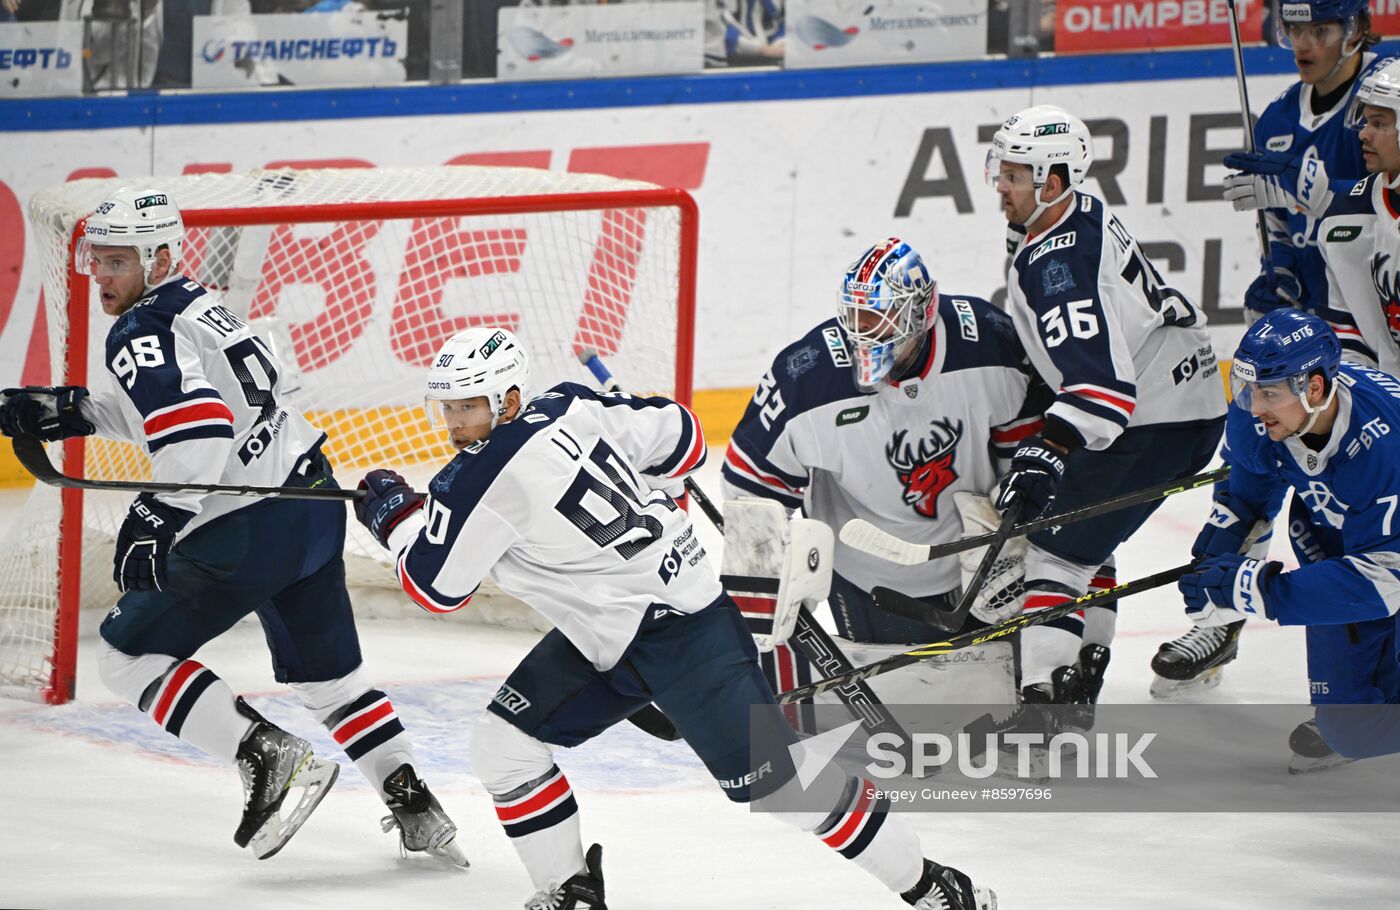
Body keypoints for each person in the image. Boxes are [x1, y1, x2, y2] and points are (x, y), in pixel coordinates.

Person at [354, 326, 996, 909]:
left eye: (467, 407)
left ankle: (933, 885)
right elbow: (686, 439)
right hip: (616, 628)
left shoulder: (472, 482)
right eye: (448, 407)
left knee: (783, 788)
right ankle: (572, 892)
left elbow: (433, 588)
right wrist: (646, 474)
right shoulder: (571, 405)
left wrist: (398, 519)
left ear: (509, 400)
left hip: (682, 632)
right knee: (502, 746)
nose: (453, 423)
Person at [0, 188, 466, 865]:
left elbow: (199, 431)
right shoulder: (198, 304)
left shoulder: (139, 328)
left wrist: (158, 514)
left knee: (126, 656)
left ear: (160, 258)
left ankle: (265, 753)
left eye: (117, 261)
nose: (101, 274)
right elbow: (194, 407)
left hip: (249, 528)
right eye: (96, 259)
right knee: (331, 683)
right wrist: (80, 412)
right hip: (312, 505)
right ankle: (415, 805)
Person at [721, 236, 1050, 703]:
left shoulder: (990, 344)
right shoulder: (807, 378)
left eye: (878, 317)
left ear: (921, 312)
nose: (863, 331)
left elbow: (1029, 458)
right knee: (909, 711)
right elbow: (749, 485)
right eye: (856, 315)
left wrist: (1014, 533)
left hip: (979, 566)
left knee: (1000, 708)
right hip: (867, 575)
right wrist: (776, 574)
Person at [986, 104, 1228, 712]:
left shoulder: (1057, 263)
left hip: (1156, 418)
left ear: (1052, 182)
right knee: (1085, 535)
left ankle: (1045, 703)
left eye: (1014, 176)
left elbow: (1102, 391)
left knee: (1052, 552)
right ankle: (1085, 666)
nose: (1001, 186)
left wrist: (1050, 448)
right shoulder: (1078, 212)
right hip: (1184, 398)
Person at [1178, 309, 1400, 771]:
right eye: (1247, 388)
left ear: (1314, 388)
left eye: (1269, 393)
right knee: (1352, 730)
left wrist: (1260, 590)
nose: (1254, 406)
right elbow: (1248, 494)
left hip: (1386, 559)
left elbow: (1385, 580)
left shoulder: (1384, 447)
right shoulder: (1260, 415)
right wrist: (1221, 550)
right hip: (1341, 541)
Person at [1223, 0, 1385, 334]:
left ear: (1355, 30)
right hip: (1326, 322)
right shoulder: (1276, 120)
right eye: (1295, 30)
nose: (1303, 44)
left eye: (1320, 31)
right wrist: (1283, 275)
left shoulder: (1388, 96)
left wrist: (1323, 192)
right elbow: (1277, 223)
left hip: (1385, 309)